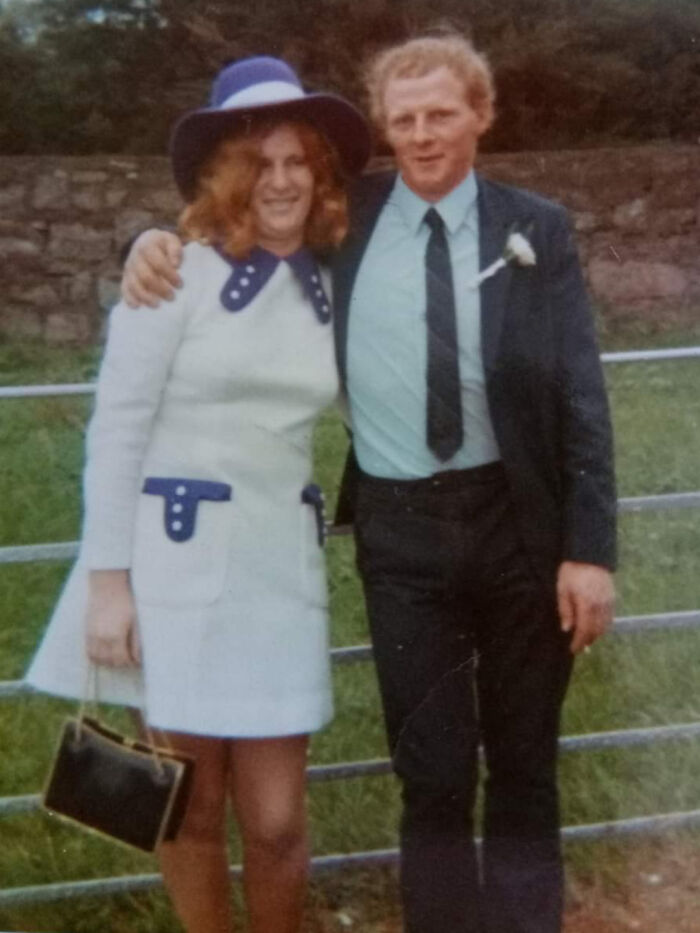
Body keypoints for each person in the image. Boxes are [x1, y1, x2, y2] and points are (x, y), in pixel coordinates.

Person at [119, 34, 617, 933]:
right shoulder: (347, 221)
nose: (423, 135)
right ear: (384, 129)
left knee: (525, 763)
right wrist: (147, 239)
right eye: (405, 118)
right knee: (429, 773)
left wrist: (589, 548)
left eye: (442, 114)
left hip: (518, 525)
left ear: (481, 116)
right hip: (402, 536)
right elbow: (233, 223)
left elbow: (582, 392)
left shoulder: (535, 227)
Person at [26, 56, 370, 933]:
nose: (282, 179)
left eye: (299, 161)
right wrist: (109, 584)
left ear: (321, 173)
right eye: (261, 162)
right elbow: (116, 430)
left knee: (281, 819)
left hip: (278, 577)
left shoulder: (335, 282)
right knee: (189, 804)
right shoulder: (171, 273)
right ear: (227, 172)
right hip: (175, 577)